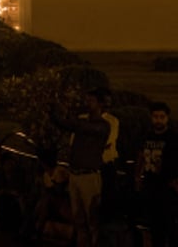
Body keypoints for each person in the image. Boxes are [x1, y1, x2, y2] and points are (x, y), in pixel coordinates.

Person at [51, 87, 111, 247]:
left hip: (89, 177)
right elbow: (66, 124)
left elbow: (76, 126)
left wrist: (66, 114)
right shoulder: (84, 123)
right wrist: (54, 111)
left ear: (100, 104)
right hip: (76, 175)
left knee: (92, 220)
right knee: (79, 220)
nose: (87, 104)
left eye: (91, 101)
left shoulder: (103, 126)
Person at [137, 101, 178, 247]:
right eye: (155, 117)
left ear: (167, 118)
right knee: (154, 226)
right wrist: (137, 177)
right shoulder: (146, 136)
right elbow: (140, 155)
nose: (158, 120)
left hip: (167, 188)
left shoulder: (174, 138)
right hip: (150, 185)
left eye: (161, 117)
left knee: (169, 226)